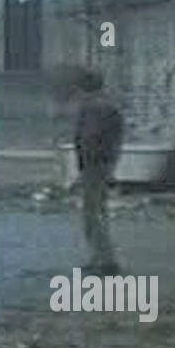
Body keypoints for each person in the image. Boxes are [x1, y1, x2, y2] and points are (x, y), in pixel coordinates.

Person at [73, 69, 123, 274]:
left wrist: (83, 163)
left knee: (93, 214)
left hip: (94, 165)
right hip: (104, 163)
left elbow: (88, 137)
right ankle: (100, 258)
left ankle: (105, 260)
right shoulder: (109, 106)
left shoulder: (94, 108)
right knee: (98, 211)